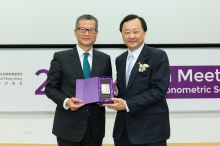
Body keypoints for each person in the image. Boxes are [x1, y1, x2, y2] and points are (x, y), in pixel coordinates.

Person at [45, 14, 112, 146]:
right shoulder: (61, 57)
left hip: (95, 128)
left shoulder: (104, 59)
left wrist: (110, 92)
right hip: (68, 127)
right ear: (75, 32)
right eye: (82, 29)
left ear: (96, 33)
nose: (87, 33)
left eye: (91, 30)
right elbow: (50, 88)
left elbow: (106, 89)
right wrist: (66, 101)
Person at [103, 14, 170, 146]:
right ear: (122, 35)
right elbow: (124, 91)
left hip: (150, 131)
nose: (131, 36)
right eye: (126, 32)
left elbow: (158, 90)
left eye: (135, 31)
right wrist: (113, 91)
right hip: (123, 132)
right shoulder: (120, 60)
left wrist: (127, 104)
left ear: (144, 33)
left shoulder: (158, 55)